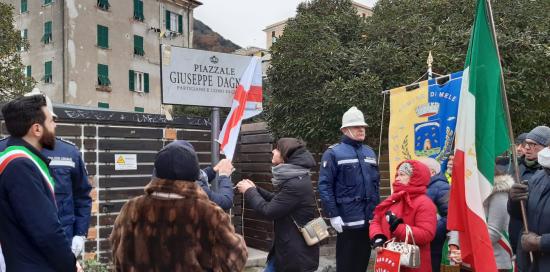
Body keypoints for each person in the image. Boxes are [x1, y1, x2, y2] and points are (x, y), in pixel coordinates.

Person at [110, 140, 247, 271]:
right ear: (195, 173)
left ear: (157, 171)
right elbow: (235, 259)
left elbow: (118, 254)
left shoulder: (132, 209)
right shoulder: (209, 213)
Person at [0, 90, 92, 258]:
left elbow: (82, 195)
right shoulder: (5, 152)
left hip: (63, 243)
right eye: (51, 120)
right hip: (19, 252)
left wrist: (80, 233)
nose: (54, 125)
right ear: (36, 126)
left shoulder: (69, 152)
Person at [236, 138, 320, 272]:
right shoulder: (296, 178)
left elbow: (268, 211)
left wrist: (249, 191)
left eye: (277, 149)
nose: (273, 151)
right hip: (286, 250)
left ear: (285, 155)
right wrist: (256, 189)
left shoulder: (295, 184)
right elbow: (279, 201)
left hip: (295, 256)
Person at [318, 106, 380, 272]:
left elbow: (376, 186)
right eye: (356, 126)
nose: (361, 129)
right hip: (347, 220)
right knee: (346, 265)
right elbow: (325, 186)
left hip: (368, 220)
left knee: (362, 264)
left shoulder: (370, 153)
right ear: (345, 129)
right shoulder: (333, 153)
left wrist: (377, 214)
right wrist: (333, 214)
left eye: (363, 126)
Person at [370, 160, 437, 272]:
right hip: (389, 262)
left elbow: (427, 234)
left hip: (412, 265)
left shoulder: (424, 203)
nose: (397, 178)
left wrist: (398, 227)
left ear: (415, 178)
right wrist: (378, 237)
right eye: (397, 174)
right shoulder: (393, 199)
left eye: (402, 175)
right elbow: (376, 220)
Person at [509, 136, 550, 272]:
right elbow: (519, 215)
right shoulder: (539, 176)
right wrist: (514, 199)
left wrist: (541, 242)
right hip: (528, 262)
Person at [418, 157, 450, 272]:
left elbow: (450, 217)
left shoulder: (443, 187)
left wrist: (431, 230)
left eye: (419, 169)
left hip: (433, 243)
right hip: (419, 241)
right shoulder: (422, 185)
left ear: (431, 172)